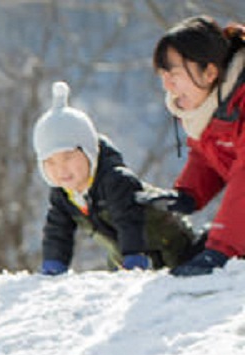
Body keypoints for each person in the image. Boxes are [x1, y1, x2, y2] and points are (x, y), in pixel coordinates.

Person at [32, 80, 203, 276]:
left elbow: (128, 221)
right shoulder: (64, 194)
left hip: (170, 246)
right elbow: (57, 230)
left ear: (89, 152)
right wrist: (54, 263)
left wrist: (133, 256)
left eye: (68, 157)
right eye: (50, 162)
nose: (61, 169)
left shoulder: (115, 180)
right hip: (124, 255)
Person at [137, 16, 245, 276]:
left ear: (209, 72)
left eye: (174, 74)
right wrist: (187, 194)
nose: (167, 85)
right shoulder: (212, 107)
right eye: (163, 75)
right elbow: (209, 154)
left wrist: (223, 247)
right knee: (187, 257)